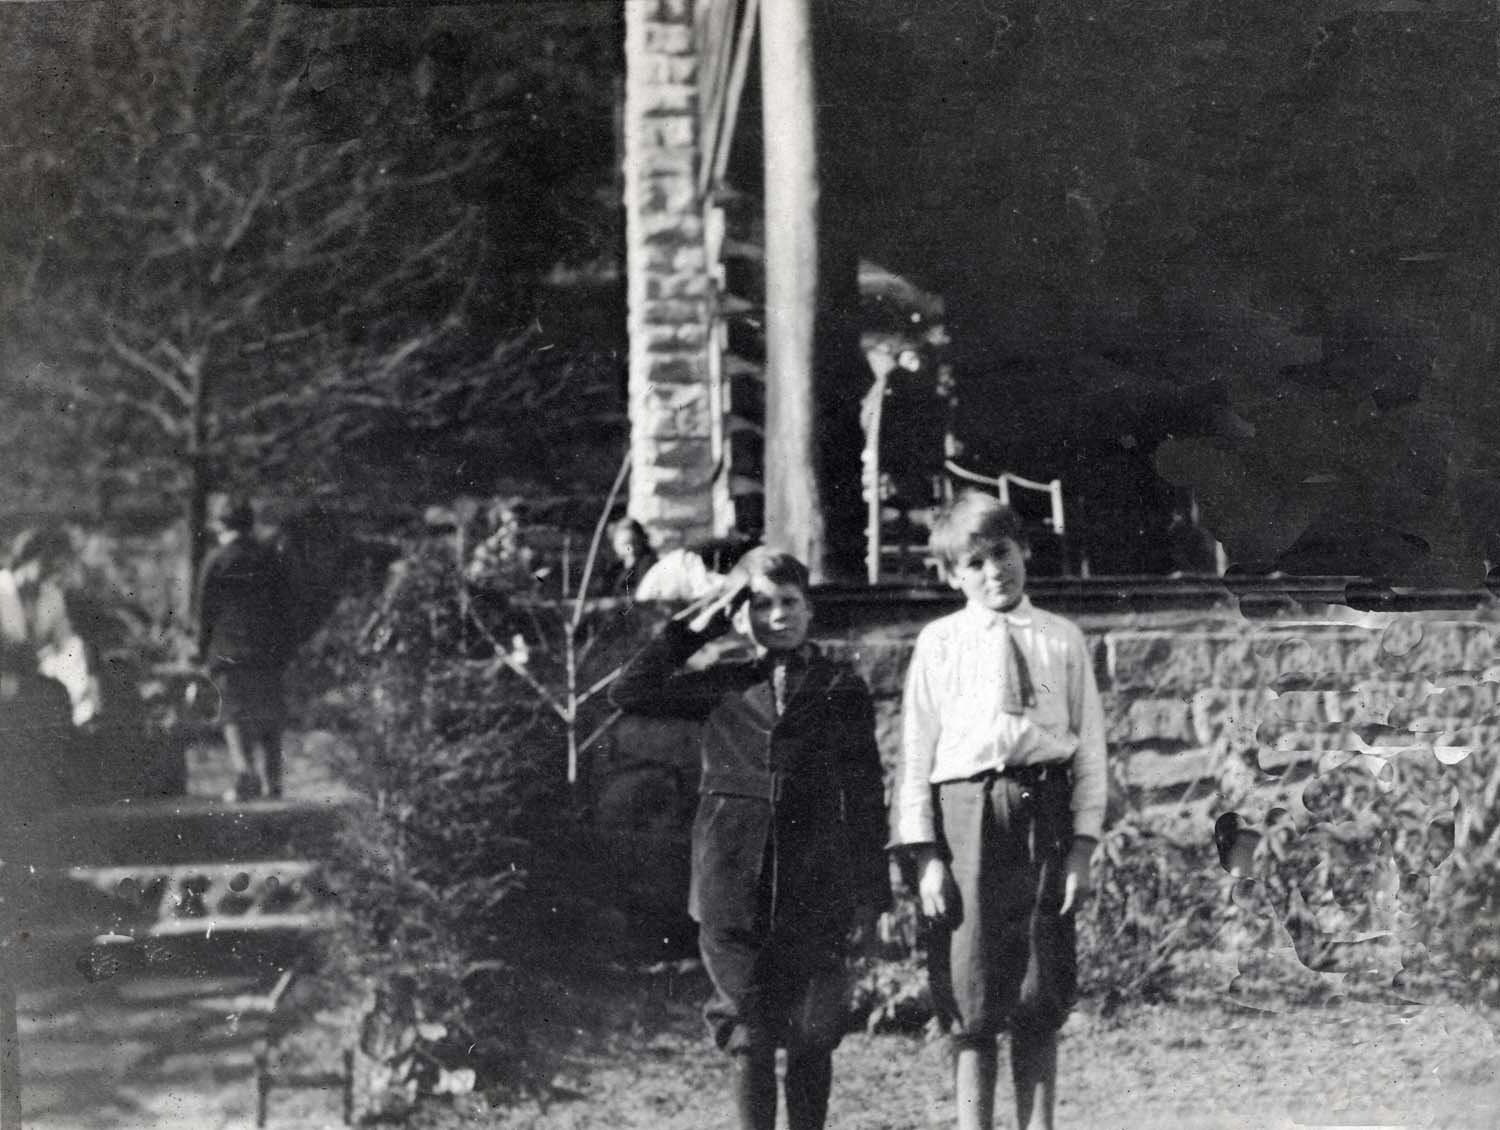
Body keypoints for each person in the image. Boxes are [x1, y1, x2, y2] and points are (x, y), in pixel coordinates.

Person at [611, 548, 890, 1130]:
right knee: (749, 1031)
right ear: (740, 615)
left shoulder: (842, 689)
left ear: (810, 610)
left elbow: (866, 796)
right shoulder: (722, 685)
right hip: (732, 884)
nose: (778, 615)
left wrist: (871, 895)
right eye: (761, 604)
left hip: (816, 885)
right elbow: (629, 692)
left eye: (790, 602)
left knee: (813, 1031)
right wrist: (699, 627)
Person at [890, 491, 1107, 1130]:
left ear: (1024, 550)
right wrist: (926, 857)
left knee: (1040, 986)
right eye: (975, 563)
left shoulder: (1061, 640)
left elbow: (1090, 749)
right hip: (966, 819)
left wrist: (1082, 848)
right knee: (972, 988)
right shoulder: (940, 644)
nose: (994, 572)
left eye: (1003, 553)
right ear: (952, 575)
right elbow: (915, 754)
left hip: (1044, 814)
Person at [196, 496, 296, 802]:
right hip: (268, 648)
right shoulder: (270, 558)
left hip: (229, 648)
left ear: (222, 526)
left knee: (233, 714)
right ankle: (273, 781)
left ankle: (245, 774)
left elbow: (204, 611)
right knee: (270, 713)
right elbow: (287, 605)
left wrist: (202, 649)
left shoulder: (216, 560)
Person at [0, 525, 101, 727]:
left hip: (31, 682)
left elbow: (66, 643)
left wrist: (83, 680)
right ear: (28, 558)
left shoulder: (51, 594)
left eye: (57, 566)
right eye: (46, 563)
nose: (52, 572)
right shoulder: (2, 590)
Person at [603, 518, 659, 597]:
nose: (631, 549)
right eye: (625, 544)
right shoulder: (615, 569)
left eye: (635, 542)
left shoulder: (648, 565)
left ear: (642, 540)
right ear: (615, 544)